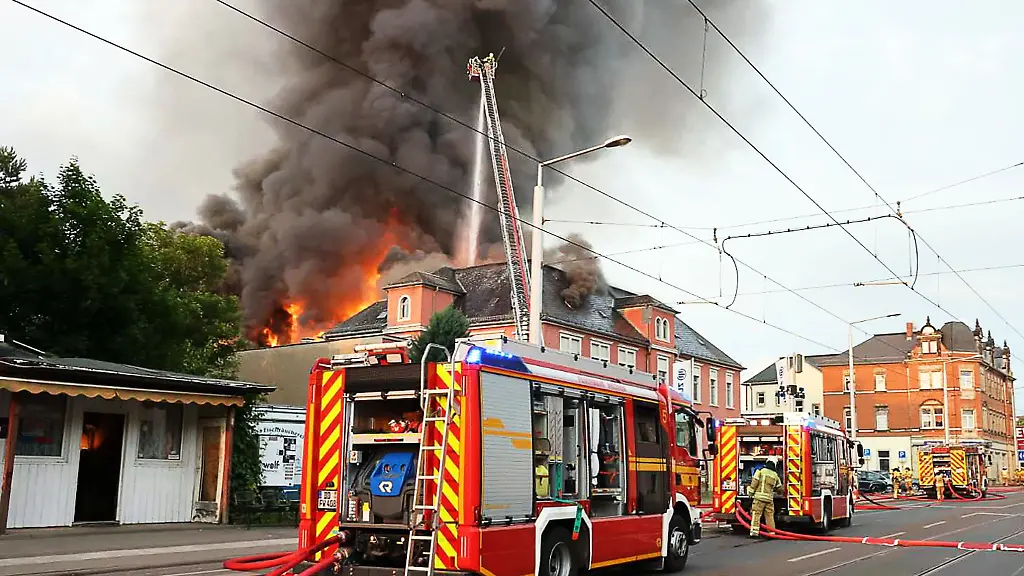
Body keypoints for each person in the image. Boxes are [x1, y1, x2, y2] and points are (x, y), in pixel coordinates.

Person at [748, 458, 783, 538]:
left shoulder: (760, 471)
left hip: (759, 498)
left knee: (756, 514)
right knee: (770, 516)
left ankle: (754, 532)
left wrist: (750, 493)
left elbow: (754, 482)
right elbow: (780, 489)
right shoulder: (775, 475)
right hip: (769, 499)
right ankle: (771, 533)